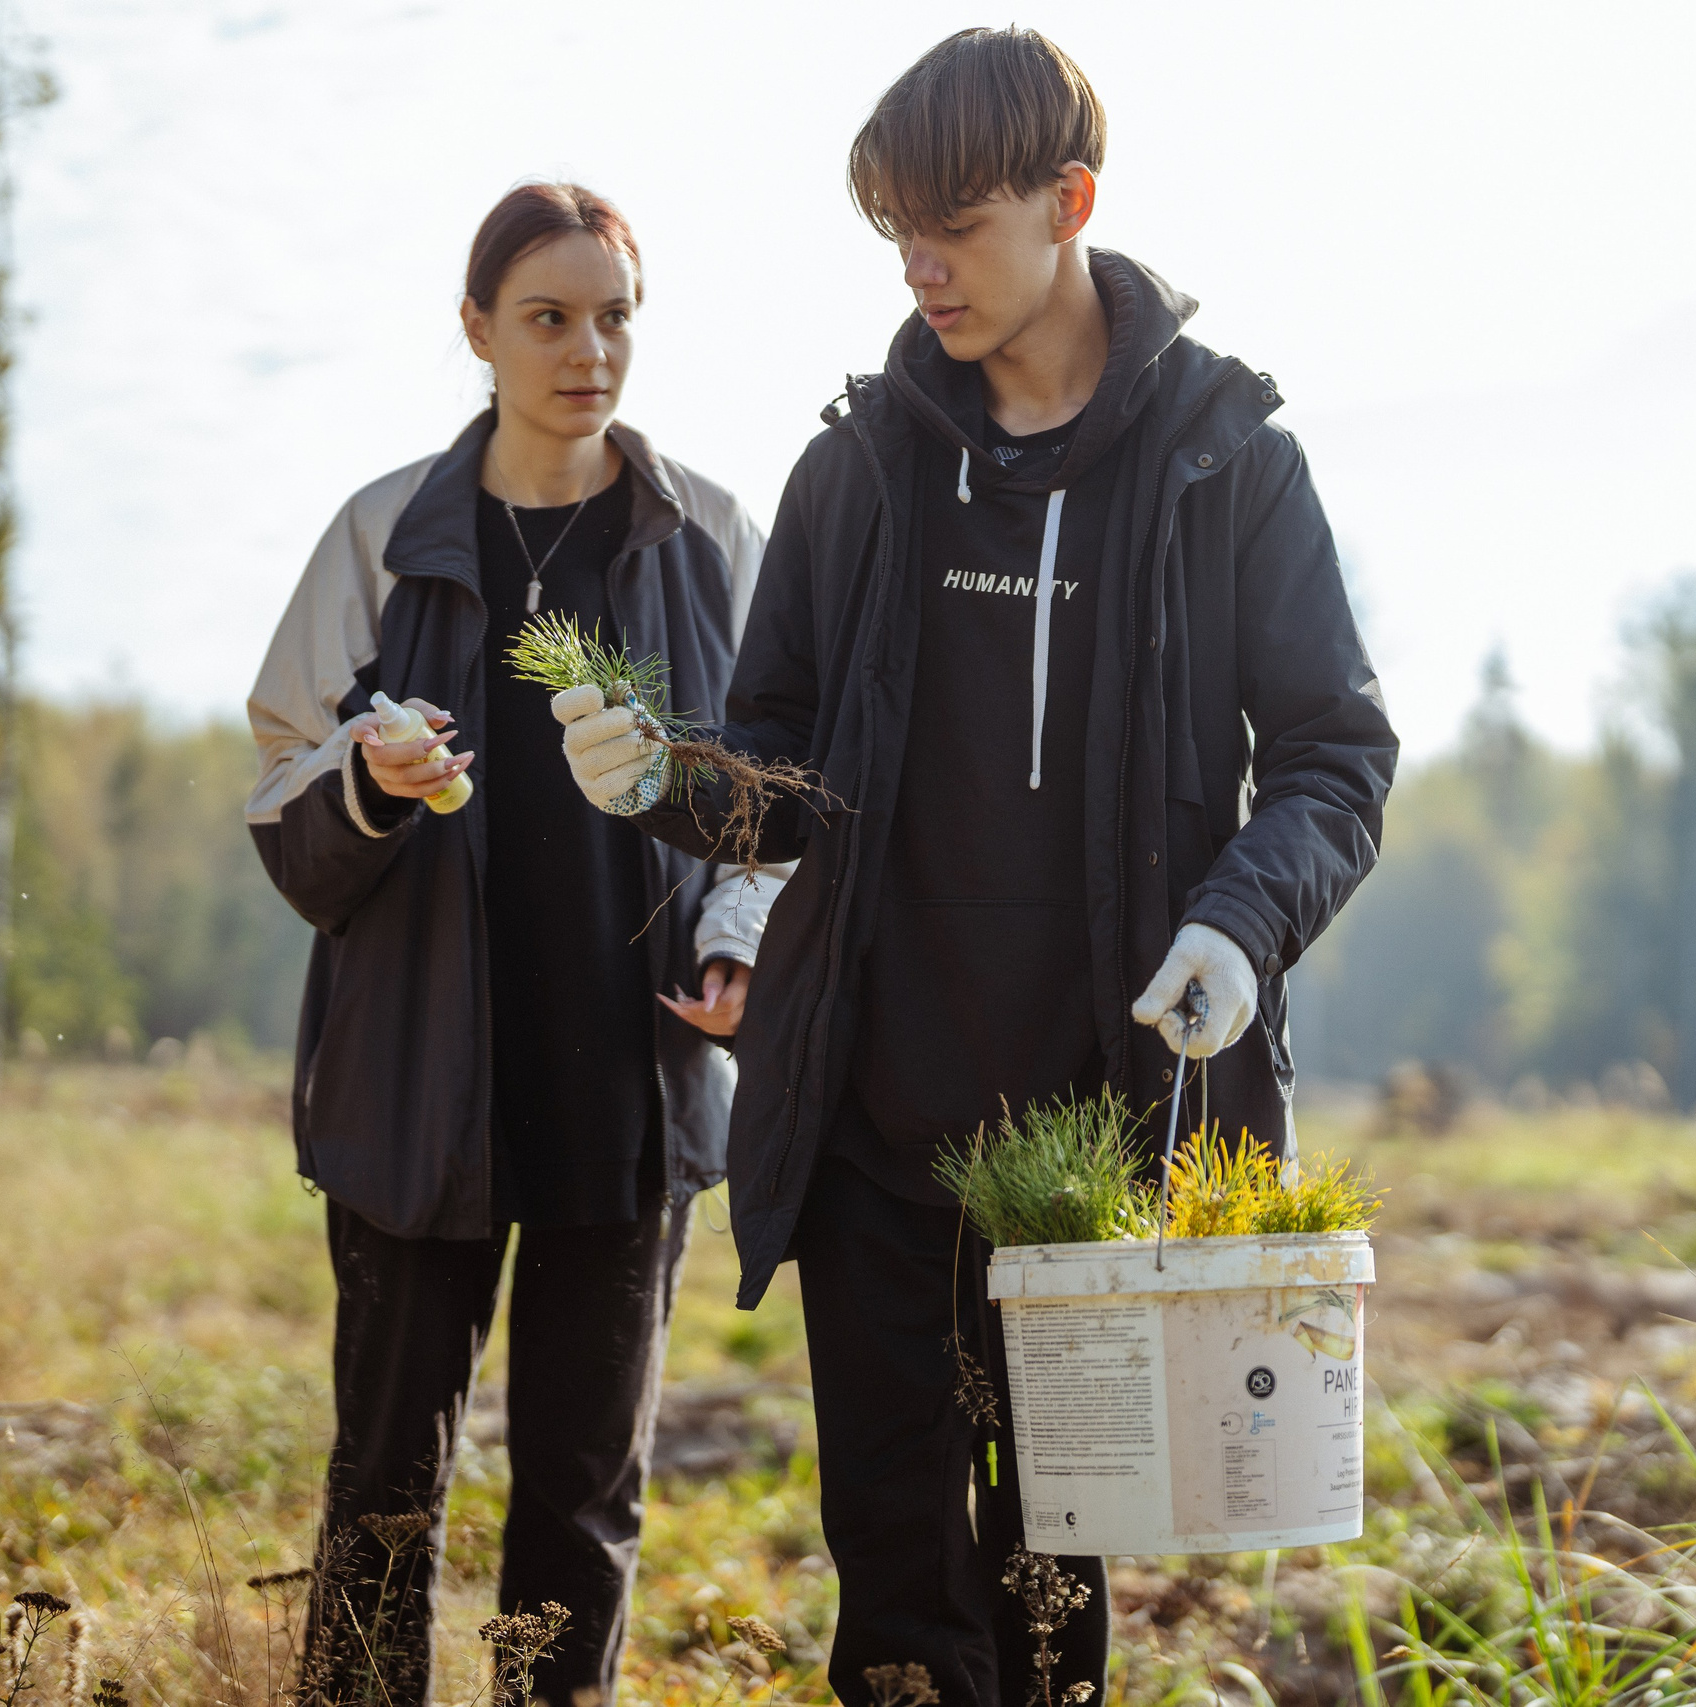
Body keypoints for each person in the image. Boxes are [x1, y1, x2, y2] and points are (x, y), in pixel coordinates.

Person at [556, 29, 1398, 1703]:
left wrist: (1239, 927)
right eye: (895, 233)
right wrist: (662, 776)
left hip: (1090, 1144)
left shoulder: (1229, 464)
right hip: (872, 1124)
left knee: (1044, 1587)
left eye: (953, 224)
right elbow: (780, 777)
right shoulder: (861, 468)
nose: (919, 266)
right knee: (897, 1603)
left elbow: (1333, 754)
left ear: (1070, 200)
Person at [244, 182, 776, 1707]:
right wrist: (366, 777)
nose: (587, 348)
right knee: (387, 1489)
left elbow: (773, 797)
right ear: (477, 330)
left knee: (581, 1497)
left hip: (626, 1080)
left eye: (615, 315)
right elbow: (283, 771)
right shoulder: (384, 533)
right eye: (548, 316)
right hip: (415, 1081)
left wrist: (736, 939)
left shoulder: (712, 534)